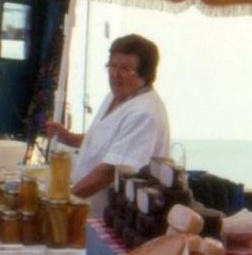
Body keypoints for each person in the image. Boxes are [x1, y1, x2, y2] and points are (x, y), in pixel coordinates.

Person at [45, 34, 170, 214]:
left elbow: (110, 171)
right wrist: (68, 137)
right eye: (112, 66)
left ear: (145, 75)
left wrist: (63, 202)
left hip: (112, 216)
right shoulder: (116, 96)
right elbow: (105, 142)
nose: (115, 75)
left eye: (125, 69)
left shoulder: (144, 113)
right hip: (87, 208)